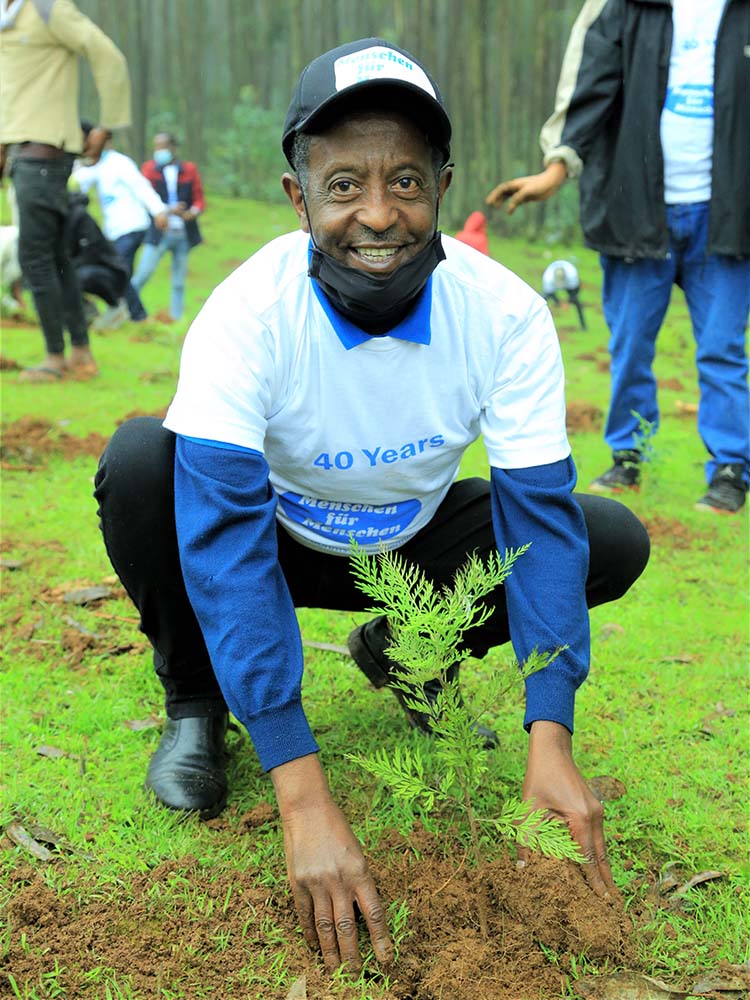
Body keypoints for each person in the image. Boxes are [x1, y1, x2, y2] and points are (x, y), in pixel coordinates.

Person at [94, 38, 650, 972]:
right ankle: (196, 704)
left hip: (408, 548)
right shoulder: (247, 313)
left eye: (406, 180)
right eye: (343, 183)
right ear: (297, 196)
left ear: (442, 185)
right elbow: (225, 541)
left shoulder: (505, 315)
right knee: (145, 462)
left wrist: (550, 731)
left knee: (605, 536)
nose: (378, 213)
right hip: (274, 539)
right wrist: (302, 793)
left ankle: (400, 651)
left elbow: (539, 516)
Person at [486, 0, 750, 514]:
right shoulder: (624, 6)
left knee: (722, 350)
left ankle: (730, 469)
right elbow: (591, 89)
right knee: (630, 345)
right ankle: (628, 455)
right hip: (635, 205)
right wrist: (556, 167)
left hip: (727, 213)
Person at [0, 0, 131, 382]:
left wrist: (107, 124)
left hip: (42, 155)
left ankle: (55, 359)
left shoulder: (46, 8)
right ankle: (80, 355)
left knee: (34, 259)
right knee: (56, 259)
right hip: (26, 154)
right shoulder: (8, 16)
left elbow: (106, 53)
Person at [73, 122, 168, 326]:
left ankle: (138, 316)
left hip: (131, 226)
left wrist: (159, 210)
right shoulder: (95, 166)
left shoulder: (120, 162)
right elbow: (78, 182)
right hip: (114, 231)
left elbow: (140, 186)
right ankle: (128, 314)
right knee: (120, 271)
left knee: (119, 271)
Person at [131, 133, 204, 322]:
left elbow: (199, 200)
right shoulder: (148, 169)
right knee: (143, 273)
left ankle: (176, 318)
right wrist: (167, 210)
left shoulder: (189, 169)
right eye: (156, 147)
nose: (159, 151)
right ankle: (128, 308)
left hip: (183, 234)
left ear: (172, 148)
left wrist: (192, 212)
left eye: (162, 146)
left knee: (179, 281)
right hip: (159, 231)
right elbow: (144, 196)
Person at [65, 190, 129, 325]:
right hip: (82, 266)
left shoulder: (79, 216)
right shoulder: (60, 217)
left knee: (78, 276)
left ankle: (115, 306)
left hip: (107, 270)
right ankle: (84, 311)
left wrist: (69, 268)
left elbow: (91, 251)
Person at [542, 259, 586, 330]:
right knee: (542, 301)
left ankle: (584, 326)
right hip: (553, 282)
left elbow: (575, 292)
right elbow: (551, 294)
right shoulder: (548, 278)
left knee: (577, 302)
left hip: (570, 283)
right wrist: (559, 303)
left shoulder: (572, 274)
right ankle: (540, 324)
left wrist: (568, 301)